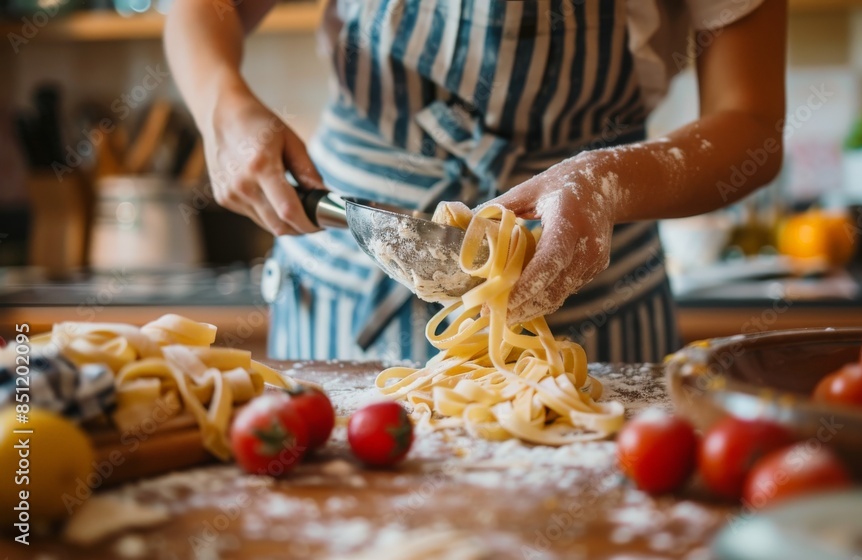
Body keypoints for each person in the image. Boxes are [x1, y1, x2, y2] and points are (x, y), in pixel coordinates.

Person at [165, 0, 786, 363]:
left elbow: (752, 123)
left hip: (599, 302)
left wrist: (605, 182)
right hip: (346, 276)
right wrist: (223, 104)